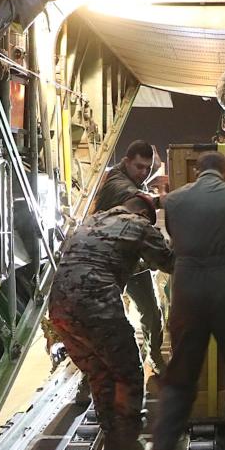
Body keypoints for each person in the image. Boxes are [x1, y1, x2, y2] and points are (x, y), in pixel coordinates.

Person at [141, 151, 225, 450]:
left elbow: (175, 238)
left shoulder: (174, 200)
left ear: (196, 171)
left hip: (188, 286)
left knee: (181, 371)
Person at [48, 194, 174, 450]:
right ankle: (129, 448)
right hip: (95, 307)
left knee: (100, 374)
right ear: (143, 212)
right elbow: (170, 262)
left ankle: (112, 444)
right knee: (128, 372)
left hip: (60, 308)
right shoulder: (139, 224)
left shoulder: (91, 222)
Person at [94, 139, 168, 374]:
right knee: (108, 320)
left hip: (132, 261)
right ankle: (100, 373)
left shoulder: (134, 175)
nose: (143, 172)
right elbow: (132, 198)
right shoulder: (117, 183)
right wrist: (159, 198)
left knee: (151, 312)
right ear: (126, 162)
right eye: (139, 167)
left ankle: (154, 356)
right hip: (107, 263)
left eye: (147, 168)